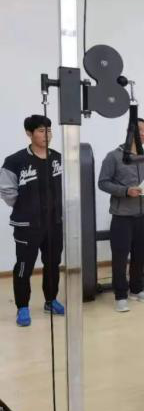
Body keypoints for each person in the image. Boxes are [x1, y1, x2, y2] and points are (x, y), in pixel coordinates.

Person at [0, 115, 64, 326]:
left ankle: (51, 300)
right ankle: (22, 307)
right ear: (29, 133)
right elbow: (6, 190)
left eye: (49, 131)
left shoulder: (58, 158)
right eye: (41, 131)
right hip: (27, 225)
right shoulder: (15, 161)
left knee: (53, 263)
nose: (47, 135)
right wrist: (25, 206)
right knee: (24, 266)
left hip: (54, 223)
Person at [98, 118, 144, 312]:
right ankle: (120, 295)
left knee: (140, 255)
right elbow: (103, 182)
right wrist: (125, 191)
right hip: (122, 216)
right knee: (120, 257)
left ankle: (136, 289)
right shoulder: (114, 157)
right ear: (130, 132)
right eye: (140, 130)